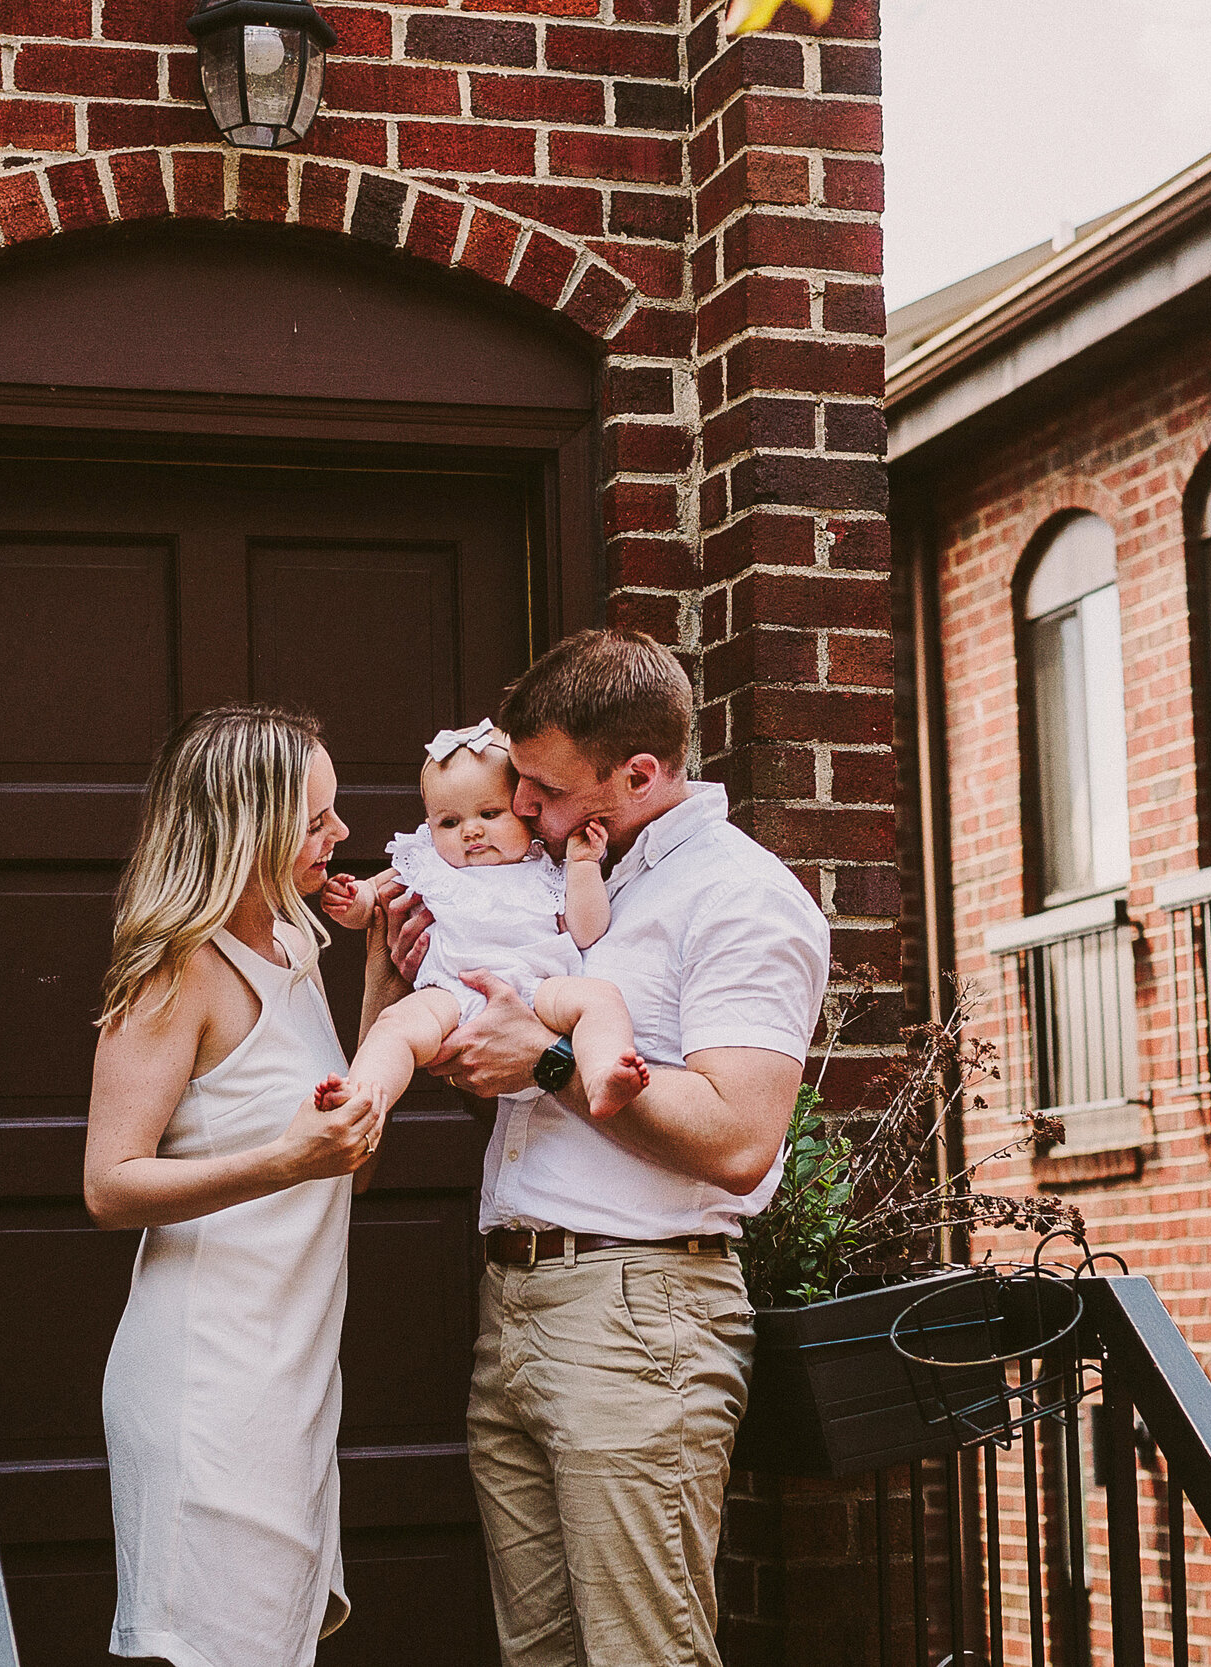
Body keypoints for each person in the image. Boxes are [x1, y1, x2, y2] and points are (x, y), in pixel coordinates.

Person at [363, 630, 831, 1667]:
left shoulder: (739, 898)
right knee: (542, 1655)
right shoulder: (571, 886)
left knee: (640, 1655)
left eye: (542, 787)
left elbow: (744, 1137)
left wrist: (544, 1060)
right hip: (518, 1304)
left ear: (640, 773)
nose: (520, 808)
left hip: (636, 1319)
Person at [83, 705, 385, 1667]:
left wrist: (381, 974)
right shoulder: (179, 970)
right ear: (243, 825)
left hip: (291, 1377)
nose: (339, 836)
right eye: (314, 820)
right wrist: (279, 1162)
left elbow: (348, 1163)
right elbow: (108, 1183)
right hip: (206, 1380)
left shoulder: (299, 952)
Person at [319, 717, 651, 1124]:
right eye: (449, 822)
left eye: (490, 813)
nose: (471, 831)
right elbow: (373, 902)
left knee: (600, 998)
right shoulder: (430, 863)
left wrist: (583, 866)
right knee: (394, 1025)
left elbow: (587, 931)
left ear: (524, 814)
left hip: (538, 992)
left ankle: (601, 1076)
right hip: (451, 994)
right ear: (429, 826)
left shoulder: (545, 866)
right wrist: (353, 900)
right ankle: (363, 1099)